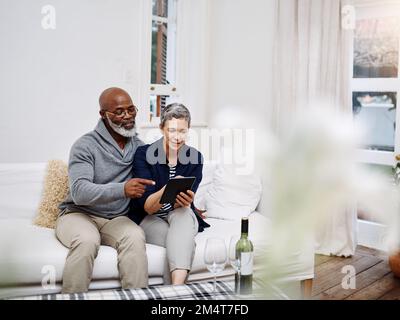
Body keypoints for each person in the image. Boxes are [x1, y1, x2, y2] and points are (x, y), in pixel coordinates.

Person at [56, 87, 155, 293]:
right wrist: (122, 190)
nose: (127, 116)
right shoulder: (85, 145)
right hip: (79, 214)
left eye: (131, 109)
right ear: (103, 115)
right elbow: (80, 192)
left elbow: (157, 177)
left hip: (115, 218)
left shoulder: (138, 146)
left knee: (135, 236)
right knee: (86, 240)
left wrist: (188, 204)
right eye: (119, 112)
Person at [130, 103, 210, 285]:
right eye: (172, 130)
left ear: (188, 130)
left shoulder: (195, 157)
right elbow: (148, 207)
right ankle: (178, 292)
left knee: (184, 214)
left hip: (178, 214)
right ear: (161, 129)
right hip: (148, 218)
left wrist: (186, 200)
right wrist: (168, 189)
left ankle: (174, 290)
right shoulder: (143, 154)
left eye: (182, 131)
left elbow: (182, 204)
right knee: (183, 244)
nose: (177, 137)